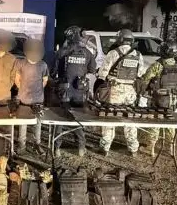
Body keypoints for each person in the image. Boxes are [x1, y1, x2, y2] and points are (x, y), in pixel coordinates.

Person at [96, 28, 144, 156]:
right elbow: (140, 74)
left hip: (115, 91)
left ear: (120, 39)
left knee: (110, 118)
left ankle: (105, 147)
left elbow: (103, 73)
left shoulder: (113, 53)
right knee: (130, 119)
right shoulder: (138, 55)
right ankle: (133, 148)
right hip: (130, 91)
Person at [54, 26, 96, 156]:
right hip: (79, 91)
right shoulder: (87, 52)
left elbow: (54, 70)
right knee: (78, 118)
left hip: (65, 89)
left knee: (60, 119)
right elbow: (92, 70)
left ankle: (57, 148)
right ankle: (81, 147)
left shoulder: (62, 52)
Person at [139, 39, 177, 158]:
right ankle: (171, 148)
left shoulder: (158, 65)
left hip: (158, 98)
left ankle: (150, 148)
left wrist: (144, 89)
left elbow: (146, 78)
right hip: (172, 98)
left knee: (155, 121)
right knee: (170, 122)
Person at [14, 39, 50, 152]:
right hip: (25, 99)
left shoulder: (43, 65)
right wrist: (25, 90)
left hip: (37, 99)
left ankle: (36, 144)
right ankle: (22, 144)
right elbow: (17, 80)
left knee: (37, 122)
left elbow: (44, 80)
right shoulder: (21, 63)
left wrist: (34, 90)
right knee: (24, 122)